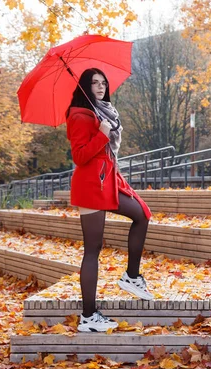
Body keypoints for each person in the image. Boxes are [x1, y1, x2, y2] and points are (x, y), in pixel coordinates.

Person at [66, 68, 154, 333]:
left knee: (141, 214)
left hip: (108, 181)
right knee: (92, 249)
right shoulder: (79, 115)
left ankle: (132, 276)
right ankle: (88, 316)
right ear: (85, 86)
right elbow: (80, 157)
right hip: (91, 185)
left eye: (103, 82)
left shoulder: (103, 112)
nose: (101, 86)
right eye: (94, 83)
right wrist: (102, 133)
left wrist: (104, 130)